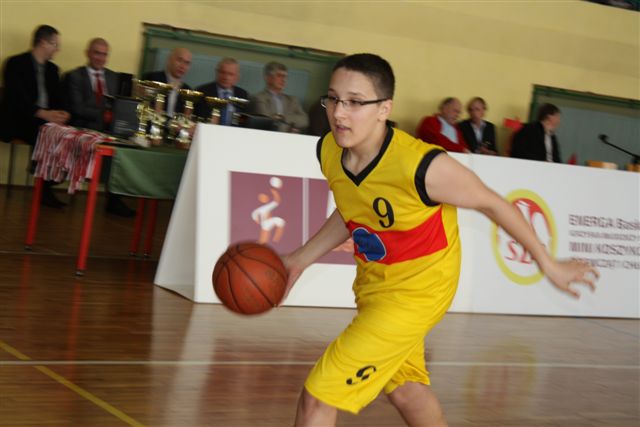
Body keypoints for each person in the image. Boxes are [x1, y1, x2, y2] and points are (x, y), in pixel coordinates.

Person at [282, 53, 598, 427]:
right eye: (333, 99)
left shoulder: (422, 165)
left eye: (354, 102)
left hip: (419, 294)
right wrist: (300, 259)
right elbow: (353, 210)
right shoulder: (330, 151)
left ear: (384, 109)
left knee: (319, 396)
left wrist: (549, 264)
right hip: (374, 286)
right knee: (406, 389)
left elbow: (493, 204)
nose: (339, 113)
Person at [0, 24, 70, 207]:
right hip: (20, 118)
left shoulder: (52, 69)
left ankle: (46, 176)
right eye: (55, 44)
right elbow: (16, 99)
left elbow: (59, 98)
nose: (57, 49)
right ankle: (44, 182)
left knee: (69, 135)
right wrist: (43, 113)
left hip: (45, 120)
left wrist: (62, 113)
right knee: (46, 132)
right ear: (43, 43)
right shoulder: (15, 63)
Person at [64, 37, 135, 217]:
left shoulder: (114, 77)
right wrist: (104, 115)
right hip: (84, 127)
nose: (100, 58)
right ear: (88, 53)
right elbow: (77, 108)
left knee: (126, 150)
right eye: (97, 53)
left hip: (110, 130)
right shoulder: (74, 76)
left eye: (104, 54)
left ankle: (114, 199)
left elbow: (122, 105)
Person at [249, 61, 309, 133]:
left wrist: (283, 117)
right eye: (279, 76)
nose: (283, 80)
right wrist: (291, 125)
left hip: (287, 138)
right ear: (268, 78)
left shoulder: (293, 100)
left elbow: (305, 121)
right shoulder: (258, 98)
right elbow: (266, 121)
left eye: (285, 77)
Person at [194, 57, 249, 125]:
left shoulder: (243, 95)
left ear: (237, 77)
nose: (226, 77)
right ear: (217, 73)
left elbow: (245, 121)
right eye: (223, 72)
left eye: (230, 74)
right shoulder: (202, 91)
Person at [142, 47, 192, 117]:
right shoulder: (152, 79)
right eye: (179, 60)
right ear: (169, 60)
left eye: (187, 63)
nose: (182, 66)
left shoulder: (187, 90)